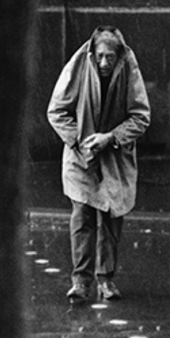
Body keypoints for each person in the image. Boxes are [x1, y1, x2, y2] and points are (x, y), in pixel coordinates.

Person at [47, 25, 151, 304]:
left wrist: (111, 138)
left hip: (115, 156)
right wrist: (80, 141)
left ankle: (106, 279)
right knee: (82, 217)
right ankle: (81, 281)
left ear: (119, 57)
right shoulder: (78, 67)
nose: (105, 63)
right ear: (93, 54)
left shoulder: (130, 70)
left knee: (111, 218)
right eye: (100, 57)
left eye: (110, 58)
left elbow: (141, 117)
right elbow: (56, 111)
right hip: (81, 157)